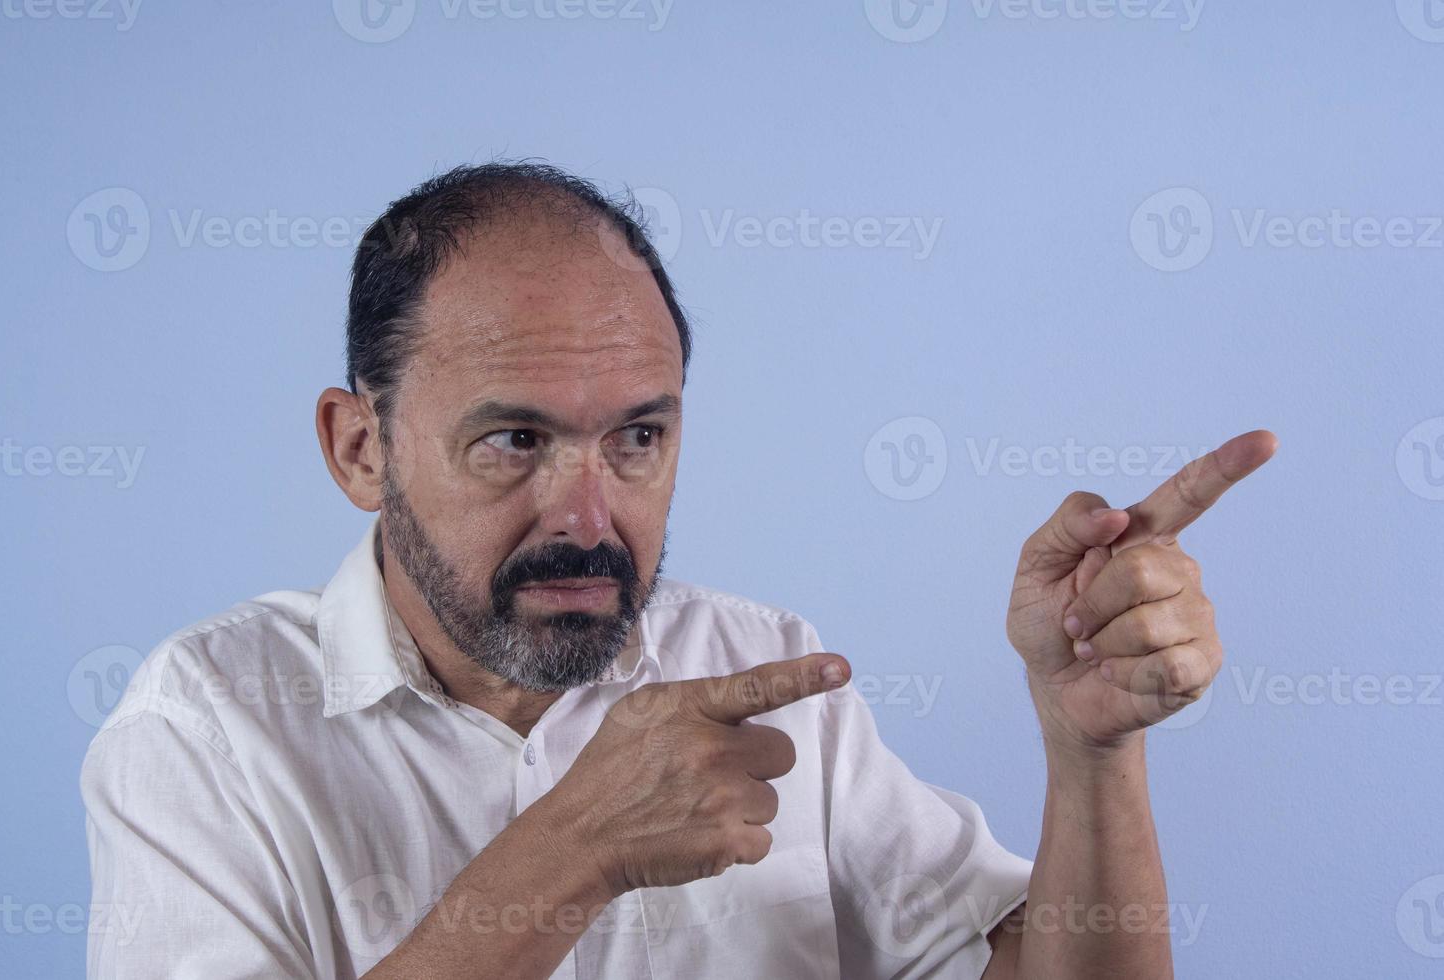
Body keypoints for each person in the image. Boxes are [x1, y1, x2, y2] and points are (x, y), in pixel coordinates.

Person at [81, 160, 1277, 979]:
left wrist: (1092, 750)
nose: (589, 514)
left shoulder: (762, 666)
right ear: (359, 446)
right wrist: (575, 846)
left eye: (638, 437)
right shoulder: (206, 728)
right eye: (515, 440)